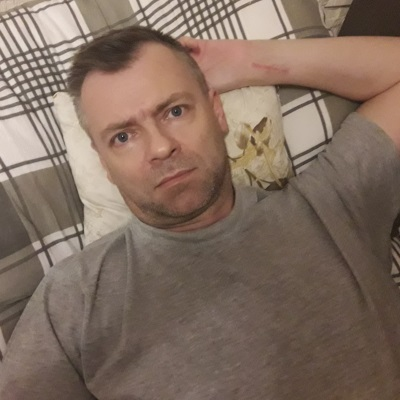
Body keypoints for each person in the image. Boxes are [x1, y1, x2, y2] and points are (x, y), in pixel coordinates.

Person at [1, 26, 400, 399]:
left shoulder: (333, 203)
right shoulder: (74, 298)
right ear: (104, 163)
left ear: (217, 112)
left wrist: (248, 61)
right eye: (123, 137)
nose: (161, 147)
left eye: (175, 111)